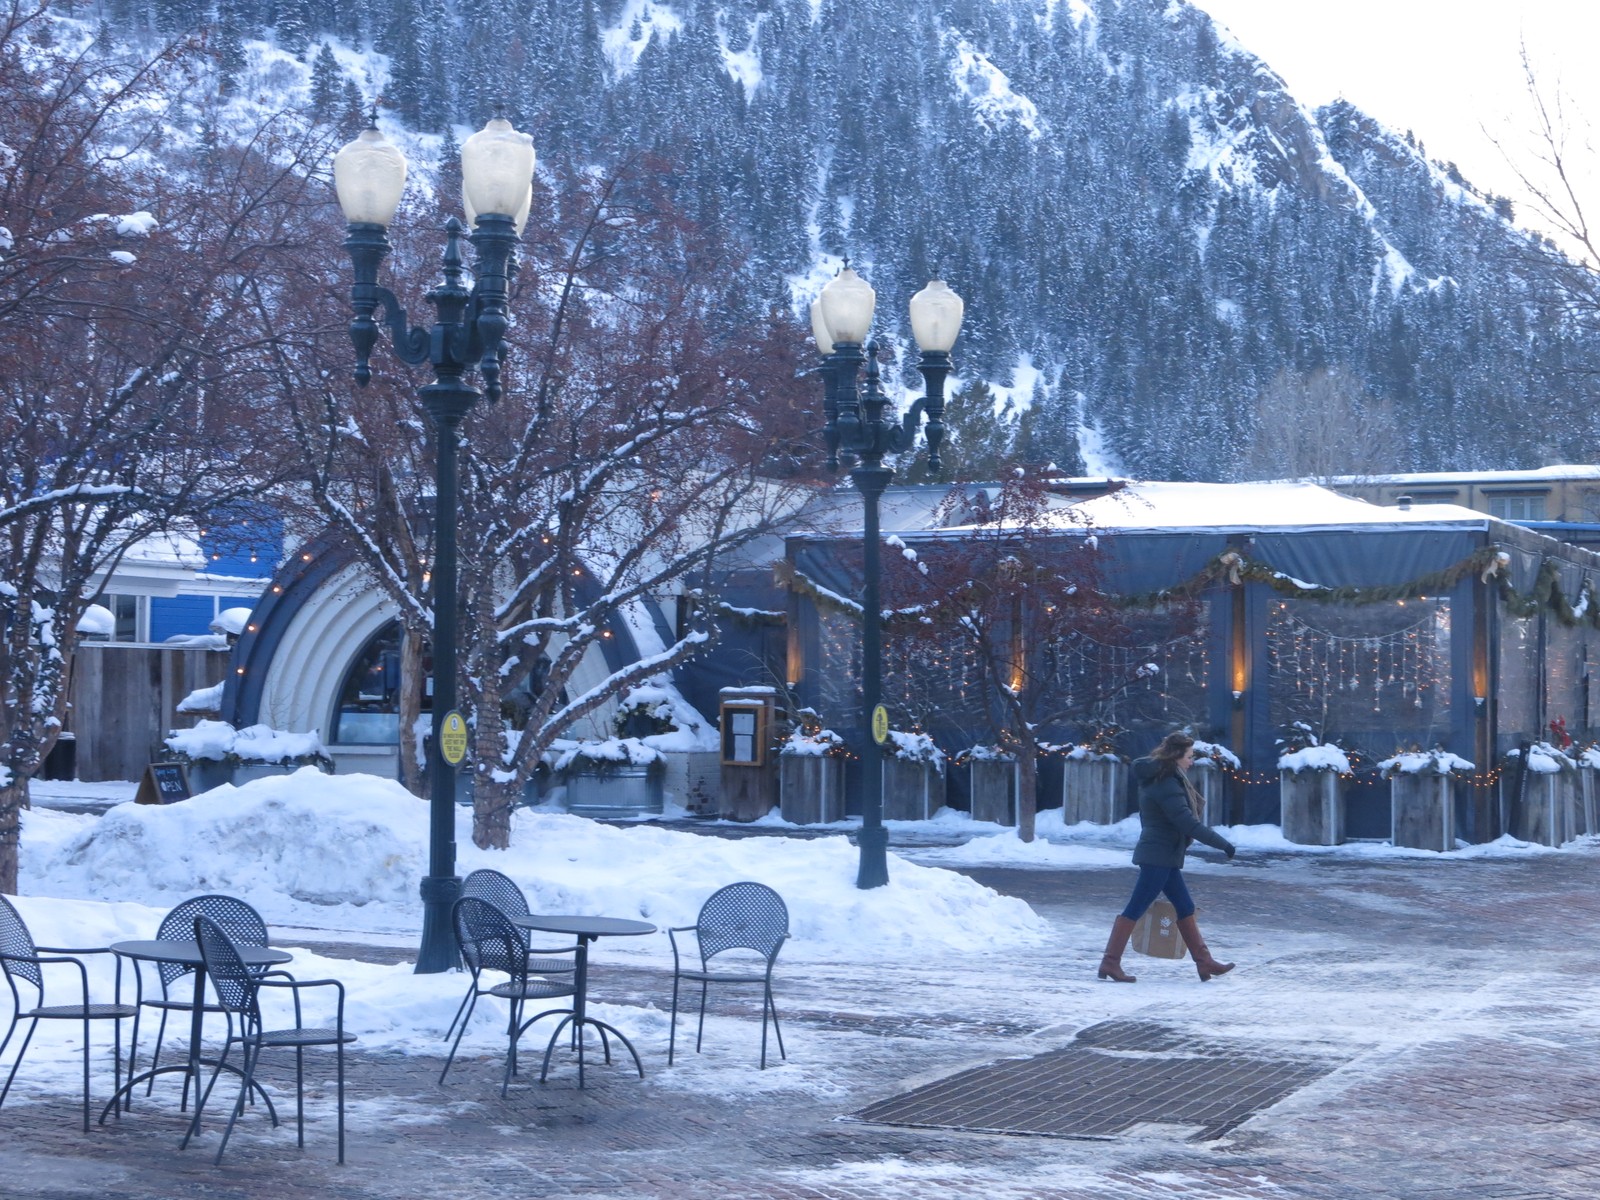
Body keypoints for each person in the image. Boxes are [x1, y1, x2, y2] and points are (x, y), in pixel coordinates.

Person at [1097, 731, 1237, 983]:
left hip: (1165, 856)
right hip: (1158, 856)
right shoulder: (1166, 784)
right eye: (1189, 756)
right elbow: (1187, 823)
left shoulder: (1166, 777)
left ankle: (1204, 963)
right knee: (1136, 908)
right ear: (1176, 756)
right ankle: (1110, 963)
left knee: (1185, 907)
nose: (1191, 761)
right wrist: (1223, 844)